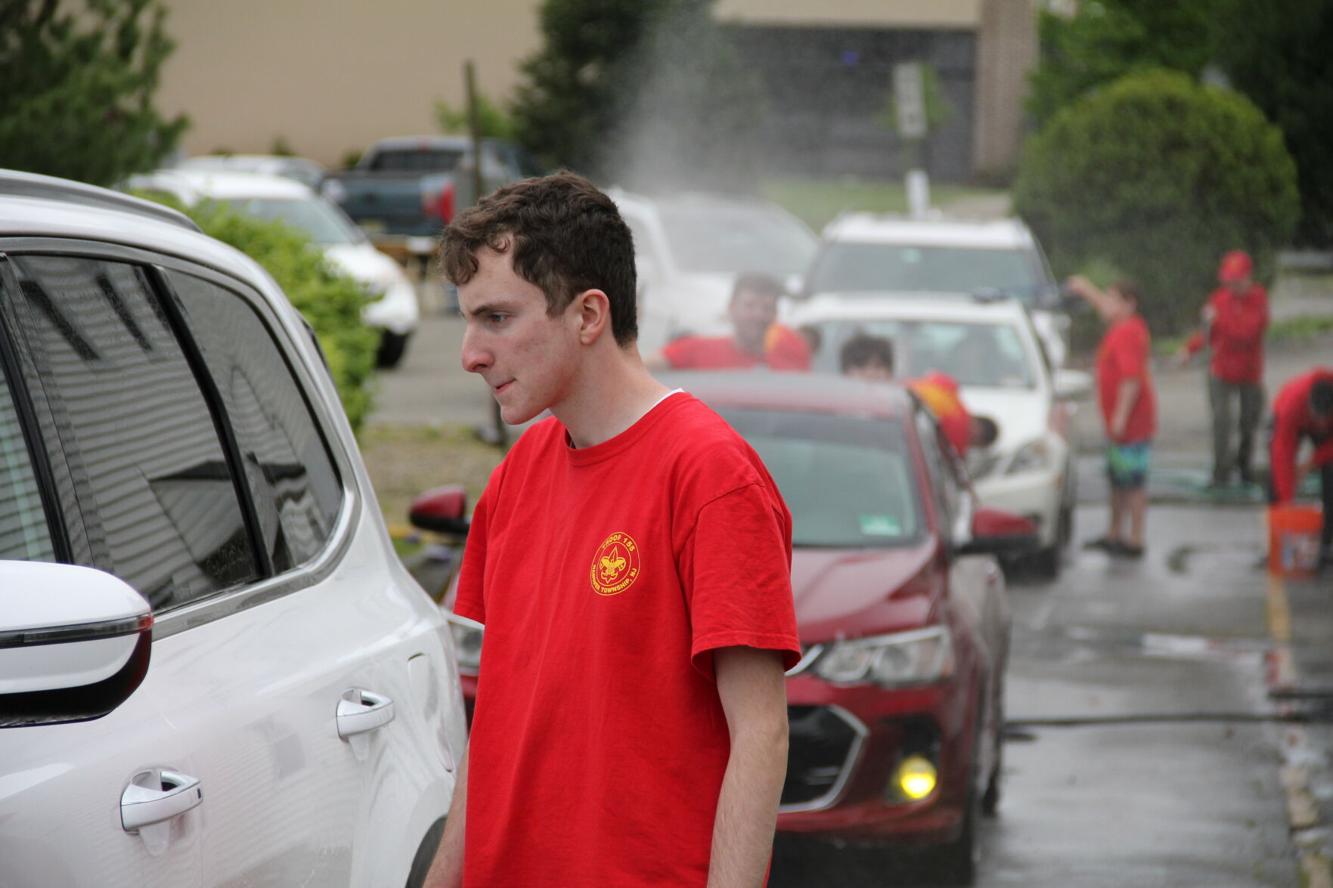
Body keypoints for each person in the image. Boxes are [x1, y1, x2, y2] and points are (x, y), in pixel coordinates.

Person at [423, 172, 800, 888]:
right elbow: (500, 719)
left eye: (496, 318)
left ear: (588, 315)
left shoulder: (709, 474)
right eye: (468, 321)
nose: (470, 353)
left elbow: (761, 734)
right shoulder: (520, 470)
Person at [1066, 276, 1158, 557]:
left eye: (1112, 298)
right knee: (1118, 480)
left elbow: (1131, 380)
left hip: (1131, 424)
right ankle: (1115, 532)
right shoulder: (1122, 327)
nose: (1105, 304)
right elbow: (1105, 308)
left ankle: (1135, 538)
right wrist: (1086, 289)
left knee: (1132, 483)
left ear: (1129, 304)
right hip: (1122, 424)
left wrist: (1119, 418)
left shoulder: (1127, 332)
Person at [1175, 250, 1269, 486]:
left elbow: (1248, 333)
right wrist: (1190, 349)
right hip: (1221, 371)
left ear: (1248, 277)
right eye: (1228, 279)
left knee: (1249, 422)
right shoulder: (1218, 299)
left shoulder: (1258, 299)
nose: (1232, 285)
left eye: (1236, 279)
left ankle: (1244, 465)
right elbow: (1208, 334)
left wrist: (1219, 321)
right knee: (1221, 422)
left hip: (1249, 372)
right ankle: (1221, 472)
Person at [837, 332, 998, 457]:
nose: (870, 374)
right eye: (860, 367)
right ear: (845, 372)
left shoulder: (905, 410)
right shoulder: (833, 412)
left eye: (878, 367)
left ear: (890, 372)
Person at [651, 272, 811, 370]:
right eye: (750, 305)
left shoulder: (792, 359)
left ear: (775, 314)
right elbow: (642, 373)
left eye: (767, 308)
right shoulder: (695, 350)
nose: (758, 315)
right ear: (731, 308)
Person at [1268, 367, 1333, 567]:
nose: (1320, 422)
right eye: (1318, 416)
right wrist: (1288, 501)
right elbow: (1283, 454)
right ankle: (1277, 543)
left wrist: (1310, 463)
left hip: (1328, 435)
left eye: (1325, 416)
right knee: (1276, 482)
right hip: (1292, 421)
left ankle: (1325, 544)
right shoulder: (1292, 404)